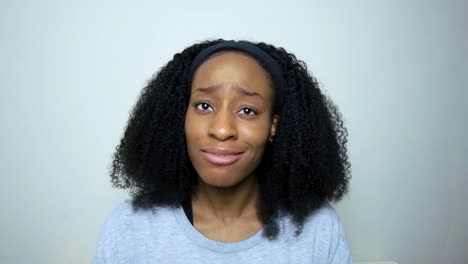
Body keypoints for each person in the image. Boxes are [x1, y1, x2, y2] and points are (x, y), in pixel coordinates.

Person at [93, 39, 353, 263]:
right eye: (204, 106)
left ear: (273, 126)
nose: (221, 129)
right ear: (181, 116)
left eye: (247, 110)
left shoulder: (318, 229)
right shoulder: (130, 228)